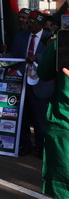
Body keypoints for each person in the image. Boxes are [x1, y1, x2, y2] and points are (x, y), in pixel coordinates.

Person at [1, 11, 52, 156]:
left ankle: (41, 147)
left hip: (40, 85)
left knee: (39, 118)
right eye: (28, 21)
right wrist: (1, 56)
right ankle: (25, 144)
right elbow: (14, 55)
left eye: (33, 22)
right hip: (21, 83)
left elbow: (53, 55)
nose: (29, 24)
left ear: (41, 24)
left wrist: (38, 57)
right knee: (22, 116)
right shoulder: (20, 36)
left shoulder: (50, 37)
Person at [37, 33, 69, 197]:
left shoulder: (63, 41)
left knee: (62, 184)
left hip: (63, 124)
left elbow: (43, 73)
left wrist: (51, 47)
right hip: (62, 124)